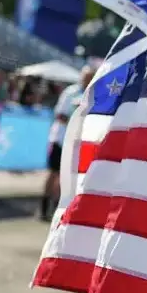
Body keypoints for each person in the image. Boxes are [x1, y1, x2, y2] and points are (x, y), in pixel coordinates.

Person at [40, 65, 95, 220]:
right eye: (86, 77)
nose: (88, 80)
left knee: (66, 176)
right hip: (60, 139)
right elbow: (60, 115)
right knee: (53, 173)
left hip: (76, 141)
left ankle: (56, 207)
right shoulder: (70, 92)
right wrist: (76, 114)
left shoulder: (93, 94)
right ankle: (44, 206)